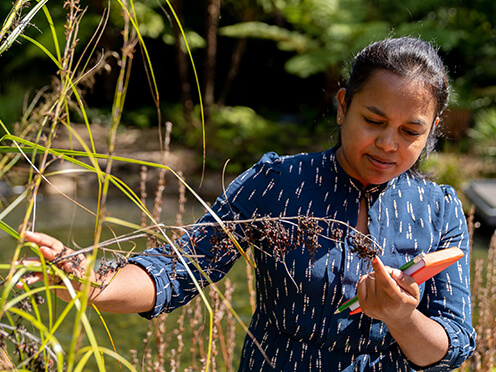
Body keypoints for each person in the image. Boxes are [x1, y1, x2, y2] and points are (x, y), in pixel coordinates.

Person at [20, 37, 476, 371]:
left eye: (410, 132)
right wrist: (92, 283)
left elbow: (451, 346)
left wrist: (402, 317)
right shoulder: (278, 183)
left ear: (433, 128)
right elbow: (181, 267)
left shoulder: (439, 209)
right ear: (342, 107)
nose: (387, 144)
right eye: (373, 120)